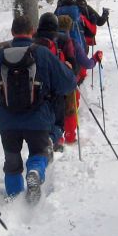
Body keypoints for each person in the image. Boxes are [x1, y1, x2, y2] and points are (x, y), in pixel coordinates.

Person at [0, 14, 76, 200]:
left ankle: (14, 197)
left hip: (7, 121)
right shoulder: (42, 53)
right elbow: (67, 84)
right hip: (38, 119)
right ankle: (34, 170)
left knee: (11, 160)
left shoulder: (0, 55)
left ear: (12, 32)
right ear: (32, 32)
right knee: (39, 151)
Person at [56, 14, 103, 144]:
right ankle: (70, 136)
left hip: (52, 83)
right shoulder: (73, 43)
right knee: (71, 108)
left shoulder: (50, 42)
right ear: (70, 27)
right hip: (71, 81)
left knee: (54, 107)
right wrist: (96, 58)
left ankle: (57, 137)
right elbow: (87, 64)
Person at [32, 12, 68, 151]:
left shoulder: (32, 42)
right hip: (53, 91)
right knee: (58, 120)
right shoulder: (57, 44)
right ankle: (53, 140)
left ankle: (47, 141)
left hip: (32, 90)